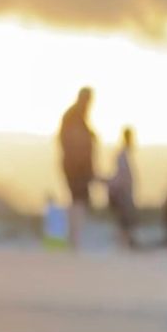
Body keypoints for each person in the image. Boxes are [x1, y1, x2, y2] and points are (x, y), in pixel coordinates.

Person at [58, 86, 97, 249]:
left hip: (78, 167)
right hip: (75, 167)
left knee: (79, 200)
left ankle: (73, 237)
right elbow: (70, 142)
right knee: (78, 200)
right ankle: (72, 238)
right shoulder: (73, 116)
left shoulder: (79, 117)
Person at [107, 127, 137, 249]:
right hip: (123, 193)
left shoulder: (124, 154)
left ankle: (124, 243)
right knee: (124, 220)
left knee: (125, 220)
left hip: (124, 192)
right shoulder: (122, 155)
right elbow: (122, 175)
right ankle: (122, 244)